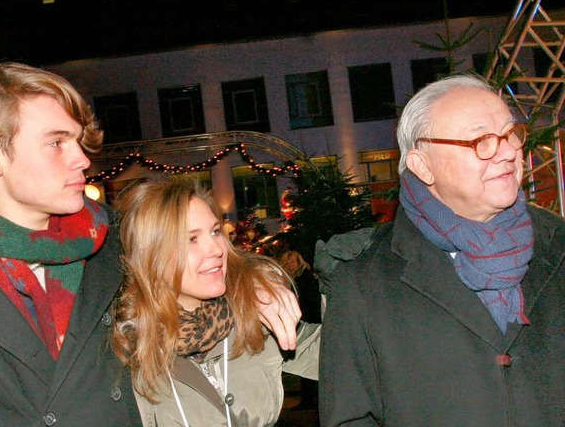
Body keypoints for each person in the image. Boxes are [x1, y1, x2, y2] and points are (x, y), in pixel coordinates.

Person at [0, 61, 302, 426]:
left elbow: (198, 260)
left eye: (77, 141)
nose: (82, 159)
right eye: (56, 142)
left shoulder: (115, 239)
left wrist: (250, 278)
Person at [316, 73, 565, 426]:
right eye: (482, 140)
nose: (509, 151)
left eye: (510, 134)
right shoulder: (363, 283)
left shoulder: (559, 246)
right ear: (422, 165)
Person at [111, 176, 321, 427]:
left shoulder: (254, 316)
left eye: (214, 231)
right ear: (150, 255)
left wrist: (354, 269)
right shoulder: (124, 345)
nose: (216, 249)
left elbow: (351, 352)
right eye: (191, 239)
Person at [279, 250, 321, 411]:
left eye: (292, 262)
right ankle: (309, 398)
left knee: (308, 360)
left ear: (299, 262)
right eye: (287, 262)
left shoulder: (305, 278)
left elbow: (310, 302)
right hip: (303, 323)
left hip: (309, 324)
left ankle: (311, 398)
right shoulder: (293, 279)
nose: (290, 265)